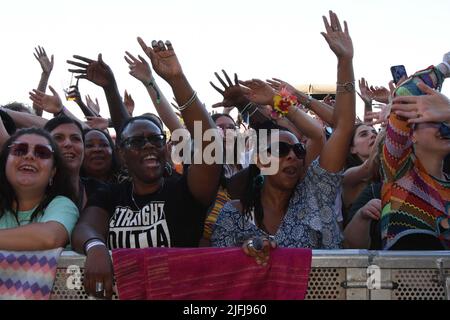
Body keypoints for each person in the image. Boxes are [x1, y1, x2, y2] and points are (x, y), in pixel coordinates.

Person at [70, 38, 222, 299]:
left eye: (155, 139)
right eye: (137, 142)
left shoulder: (186, 190)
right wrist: (95, 246)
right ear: (122, 154)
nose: (148, 146)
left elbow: (210, 142)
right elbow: (86, 227)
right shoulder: (111, 194)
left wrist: (177, 79)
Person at [211, 11, 355, 263]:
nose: (292, 156)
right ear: (260, 161)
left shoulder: (315, 195)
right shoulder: (233, 214)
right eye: (280, 150)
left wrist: (344, 62)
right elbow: (219, 274)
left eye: (299, 151)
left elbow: (342, 127)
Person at [381, 55, 450, 250]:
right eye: (433, 121)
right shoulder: (398, 170)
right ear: (412, 135)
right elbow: (404, 93)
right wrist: (445, 67)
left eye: (445, 120)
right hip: (406, 279)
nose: (443, 128)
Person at [0, 127, 78, 250]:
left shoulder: (62, 205)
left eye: (42, 153)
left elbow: (49, 238)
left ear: (53, 172)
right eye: (20, 150)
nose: (29, 156)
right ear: (5, 163)